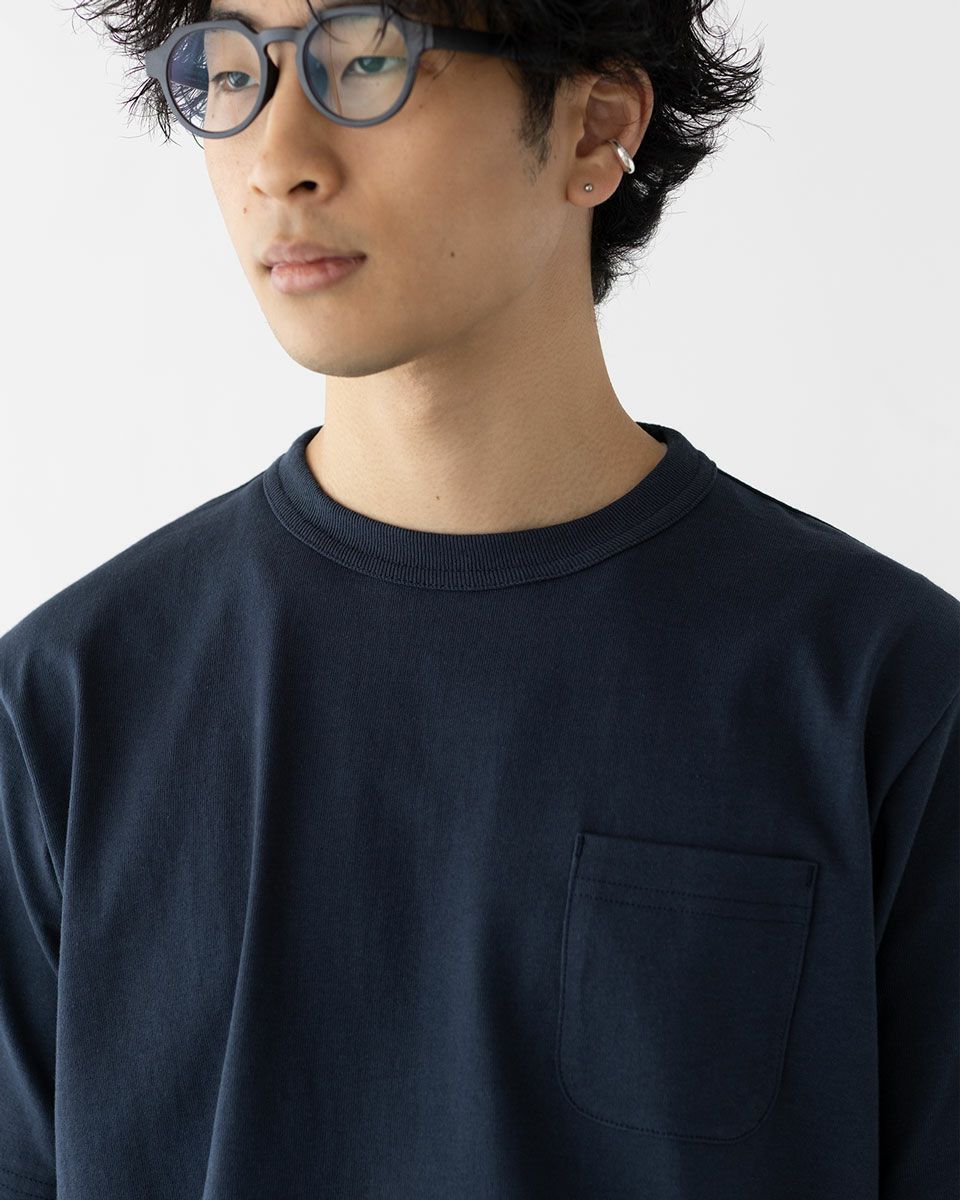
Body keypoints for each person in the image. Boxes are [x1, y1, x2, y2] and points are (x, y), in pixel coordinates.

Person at [1, 1, 957, 1197]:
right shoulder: (65, 711)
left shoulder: (890, 696)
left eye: (367, 61)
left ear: (594, 129)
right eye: (232, 71)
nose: (277, 158)